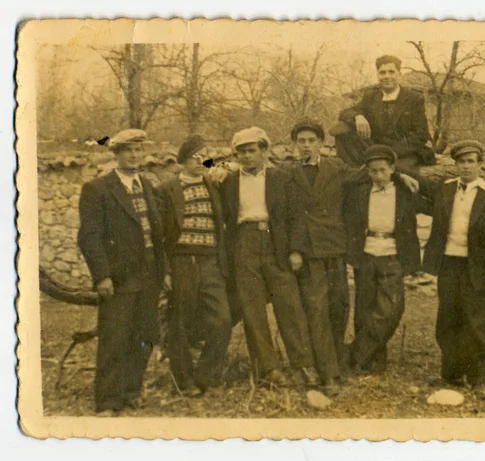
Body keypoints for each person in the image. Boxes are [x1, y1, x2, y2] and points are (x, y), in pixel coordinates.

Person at [220, 126, 319, 388]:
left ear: (264, 151)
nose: (247, 156)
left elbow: (296, 216)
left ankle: (303, 365)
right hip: (244, 244)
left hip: (276, 243)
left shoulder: (281, 177)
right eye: (241, 152)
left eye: (252, 151)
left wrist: (296, 250)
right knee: (252, 309)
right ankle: (268, 368)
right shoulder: (228, 181)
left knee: (289, 304)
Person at [78, 129, 166, 415]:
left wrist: (163, 272)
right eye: (128, 150)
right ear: (115, 154)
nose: (134, 155)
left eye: (139, 150)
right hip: (119, 277)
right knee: (115, 337)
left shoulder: (148, 187)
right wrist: (102, 275)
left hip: (149, 274)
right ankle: (107, 400)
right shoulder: (98, 189)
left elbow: (157, 233)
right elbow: (90, 237)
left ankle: (131, 393)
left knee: (144, 335)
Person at [420, 140, 485, 398]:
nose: (466, 167)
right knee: (447, 319)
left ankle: (479, 379)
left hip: (477, 268)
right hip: (449, 263)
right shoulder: (445, 189)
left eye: (471, 161)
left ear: (479, 164)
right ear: (455, 164)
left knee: (476, 322)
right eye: (462, 161)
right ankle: (451, 375)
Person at [159, 135, 232, 396]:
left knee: (223, 319)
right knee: (180, 322)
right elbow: (160, 236)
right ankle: (184, 380)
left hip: (211, 261)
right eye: (195, 157)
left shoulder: (213, 185)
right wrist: (166, 270)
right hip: (182, 262)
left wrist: (223, 170)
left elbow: (235, 169)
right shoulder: (167, 189)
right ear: (182, 161)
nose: (202, 161)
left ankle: (207, 376)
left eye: (205, 156)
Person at [286, 119, 352, 396]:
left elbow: (368, 174)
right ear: (294, 144)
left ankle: (336, 363)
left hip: (335, 248)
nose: (306, 145)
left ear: (322, 144)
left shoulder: (336, 168)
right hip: (308, 252)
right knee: (317, 310)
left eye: (312, 140)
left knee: (339, 307)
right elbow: (285, 217)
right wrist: (294, 250)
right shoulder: (285, 173)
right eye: (301, 141)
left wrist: (403, 175)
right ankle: (328, 374)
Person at [343, 145, 421, 374]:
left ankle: (354, 353)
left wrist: (400, 176)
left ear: (392, 169)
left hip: (393, 254)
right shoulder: (359, 190)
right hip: (366, 253)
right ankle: (372, 362)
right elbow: (347, 180)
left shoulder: (405, 189)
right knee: (365, 308)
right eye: (373, 171)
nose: (378, 176)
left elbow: (432, 189)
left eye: (383, 171)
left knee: (391, 309)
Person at [333, 55, 431, 173]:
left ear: (399, 74)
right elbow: (345, 112)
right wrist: (357, 116)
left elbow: (421, 134)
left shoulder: (414, 98)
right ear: (378, 75)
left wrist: (393, 152)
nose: (387, 76)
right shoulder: (371, 97)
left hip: (403, 153)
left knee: (397, 175)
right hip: (376, 150)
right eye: (382, 73)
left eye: (391, 72)